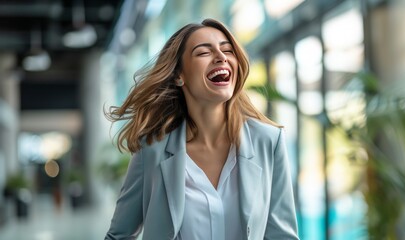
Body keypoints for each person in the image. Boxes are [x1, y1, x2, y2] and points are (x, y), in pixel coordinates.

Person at [104, 18, 299, 240]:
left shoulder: (269, 141)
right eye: (203, 53)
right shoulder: (152, 149)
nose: (221, 57)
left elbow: (282, 237)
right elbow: (118, 236)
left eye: (227, 50)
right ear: (179, 75)